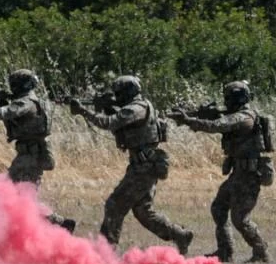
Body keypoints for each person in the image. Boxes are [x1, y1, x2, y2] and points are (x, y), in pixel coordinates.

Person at [69, 75, 194, 254]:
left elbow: (109, 123)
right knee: (144, 212)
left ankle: (105, 252)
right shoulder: (138, 106)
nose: (117, 97)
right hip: (144, 165)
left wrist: (83, 111)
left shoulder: (137, 108)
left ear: (128, 92)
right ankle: (180, 235)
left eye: (119, 93)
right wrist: (106, 107)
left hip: (144, 167)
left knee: (114, 205)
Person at [169, 81, 272, 263]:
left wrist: (189, 121)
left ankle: (261, 251)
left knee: (240, 218)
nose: (226, 101)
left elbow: (217, 125)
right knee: (219, 208)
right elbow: (218, 120)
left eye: (228, 98)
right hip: (238, 174)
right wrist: (194, 115)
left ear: (236, 98)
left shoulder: (244, 117)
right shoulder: (237, 115)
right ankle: (225, 251)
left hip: (249, 176)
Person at [0, 69, 75, 233]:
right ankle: (57, 223)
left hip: (30, 156)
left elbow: (0, 114)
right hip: (29, 154)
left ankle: (58, 224)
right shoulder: (32, 101)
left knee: (17, 196)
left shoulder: (26, 103)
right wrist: (2, 100)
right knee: (17, 195)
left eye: (14, 84)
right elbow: (12, 117)